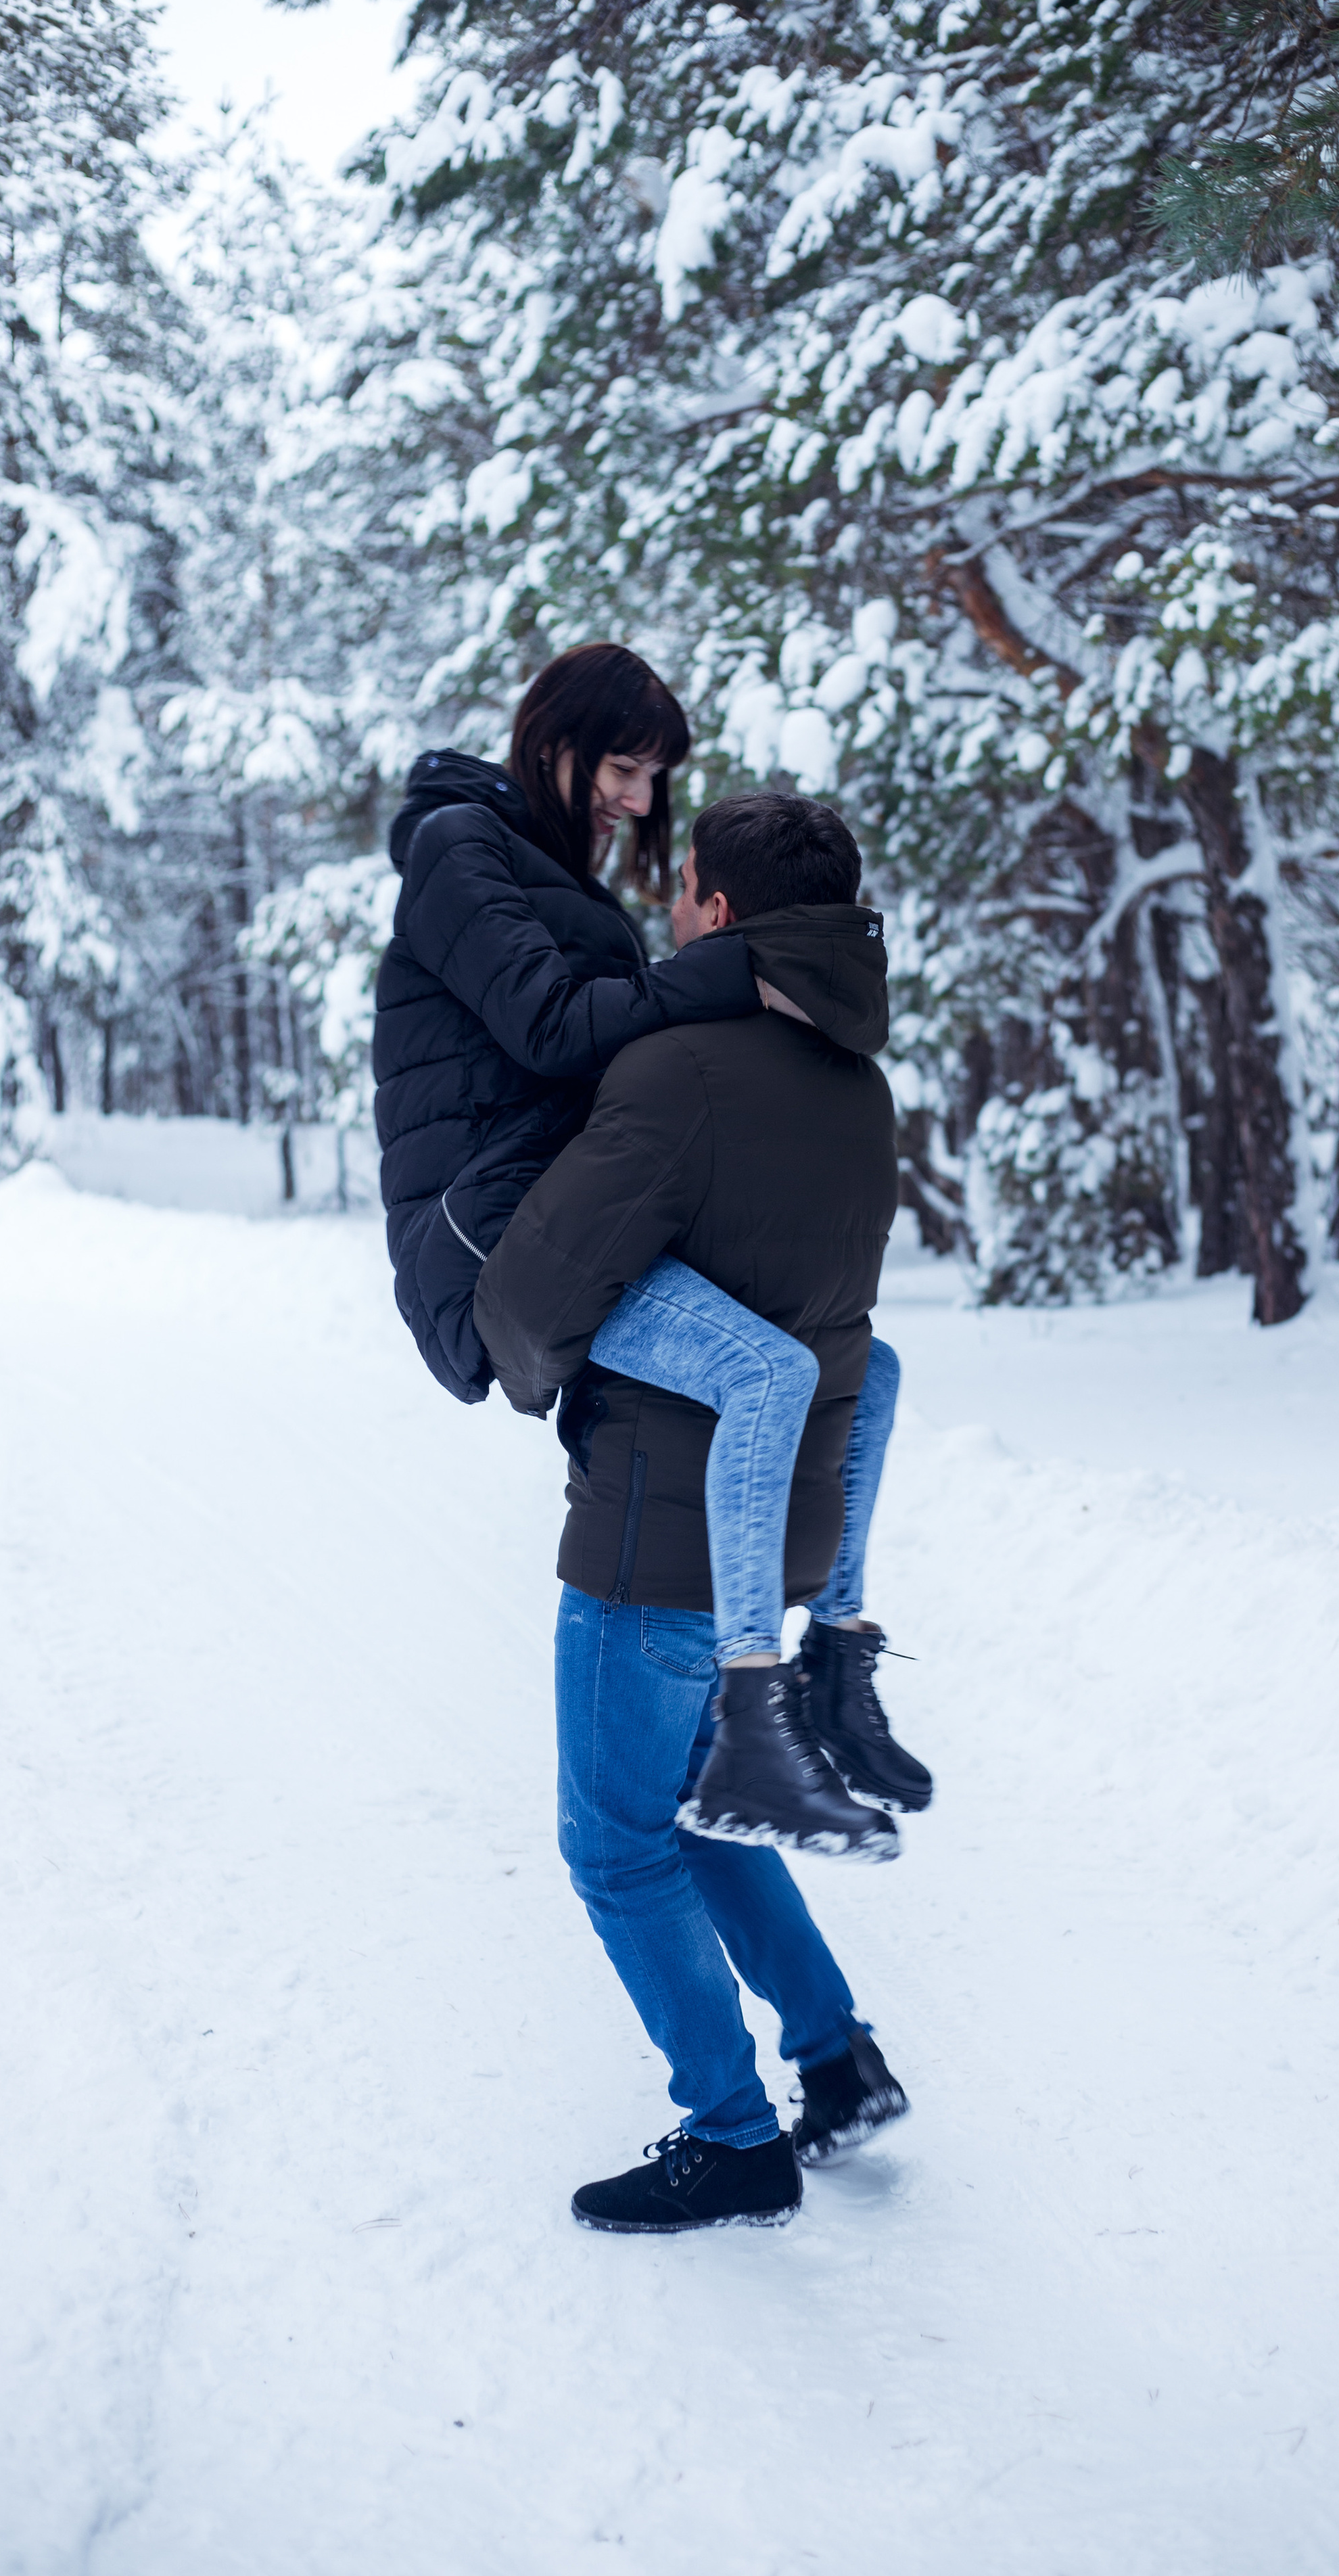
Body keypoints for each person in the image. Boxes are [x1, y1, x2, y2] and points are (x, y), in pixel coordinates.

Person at [373, 643, 929, 1855]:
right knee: (771, 1371)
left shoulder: (560, 883)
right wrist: (736, 964)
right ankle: (752, 1710)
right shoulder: (455, 848)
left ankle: (833, 1660)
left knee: (861, 1368)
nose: (635, 796)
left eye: (652, 775)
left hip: (561, 1211)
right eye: (622, 765)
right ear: (554, 736)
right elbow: (554, 1027)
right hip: (491, 1237)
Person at [473, 789, 918, 2233]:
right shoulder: (862, 1085)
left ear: (721, 914)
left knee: (613, 1841)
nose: (667, 916)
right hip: (772, 1526)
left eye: (682, 897)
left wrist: (528, 1363)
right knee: (698, 1803)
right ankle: (834, 2058)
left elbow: (541, 1288)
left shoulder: (679, 1072)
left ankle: (730, 2133)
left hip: (652, 1530)